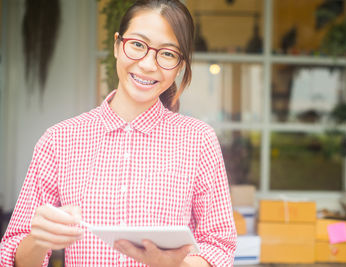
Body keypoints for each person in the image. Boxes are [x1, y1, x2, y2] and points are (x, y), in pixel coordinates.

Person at [0, 0, 237, 266]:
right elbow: (12, 253)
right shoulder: (59, 140)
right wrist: (39, 239)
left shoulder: (198, 140)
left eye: (168, 54)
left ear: (180, 66)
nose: (148, 64)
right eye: (137, 44)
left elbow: (219, 246)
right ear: (116, 45)